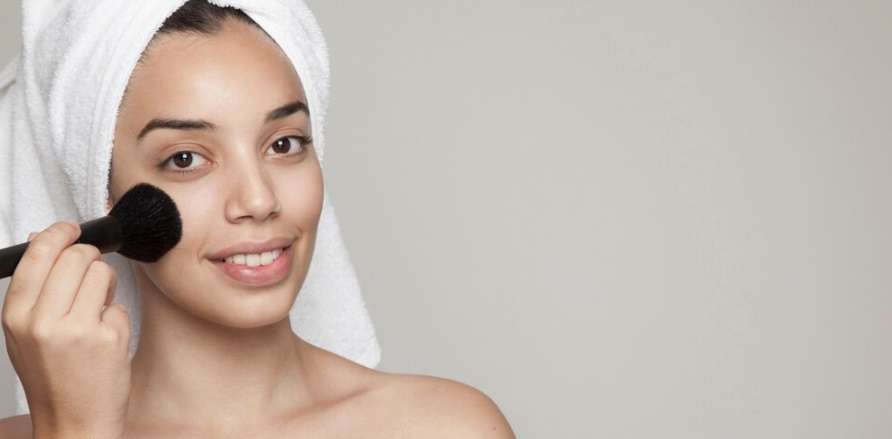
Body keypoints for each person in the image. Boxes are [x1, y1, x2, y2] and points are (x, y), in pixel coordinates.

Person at [0, 1, 514, 437]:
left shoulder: (444, 427)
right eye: (186, 158)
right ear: (102, 192)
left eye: (284, 144)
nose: (259, 199)